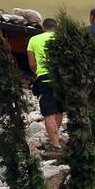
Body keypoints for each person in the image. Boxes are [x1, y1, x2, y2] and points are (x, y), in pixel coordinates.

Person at [26, 18, 63, 151]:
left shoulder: (33, 40)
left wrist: (39, 73)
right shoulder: (61, 39)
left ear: (43, 27)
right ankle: (55, 138)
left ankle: (55, 145)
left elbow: (31, 63)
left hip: (45, 79)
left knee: (49, 114)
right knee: (59, 110)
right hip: (61, 79)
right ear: (56, 27)